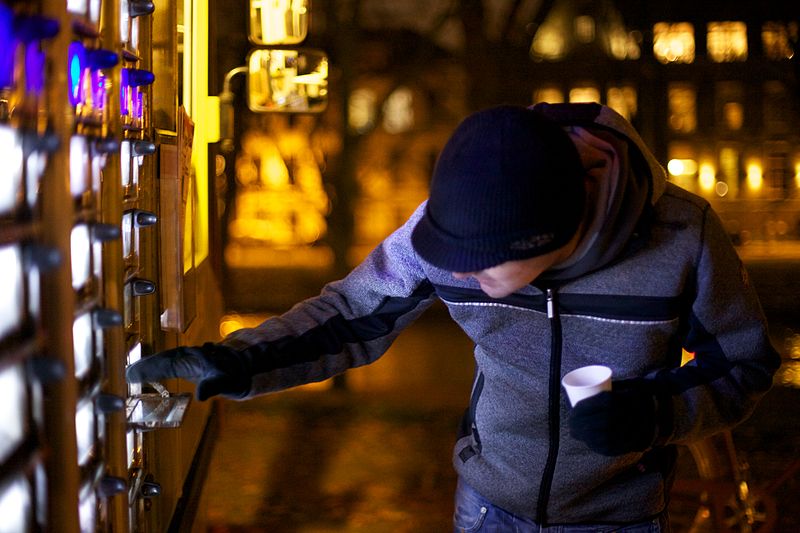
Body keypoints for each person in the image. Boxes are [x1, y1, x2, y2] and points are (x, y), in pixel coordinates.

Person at [127, 103, 780, 531]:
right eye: (447, 256)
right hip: (487, 508)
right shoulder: (461, 224)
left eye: (479, 269)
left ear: (557, 237)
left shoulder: (682, 236)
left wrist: (657, 415)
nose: (455, 275)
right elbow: (349, 316)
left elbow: (745, 364)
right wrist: (232, 362)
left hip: (619, 516)